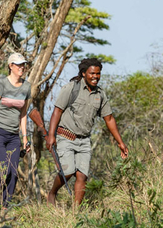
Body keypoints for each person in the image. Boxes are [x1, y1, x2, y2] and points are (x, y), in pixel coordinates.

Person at [45, 58, 128, 206]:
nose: (95, 76)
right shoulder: (71, 88)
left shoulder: (100, 94)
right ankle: (52, 193)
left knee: (82, 176)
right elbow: (57, 111)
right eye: (92, 73)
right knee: (68, 171)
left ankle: (76, 212)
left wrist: (120, 143)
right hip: (66, 136)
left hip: (84, 140)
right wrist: (51, 136)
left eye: (98, 73)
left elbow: (109, 119)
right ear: (83, 73)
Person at [0, 53, 31, 212]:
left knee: (14, 173)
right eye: (18, 65)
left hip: (13, 137)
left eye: (23, 64)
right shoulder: (2, 84)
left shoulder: (26, 87)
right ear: (11, 66)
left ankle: (5, 208)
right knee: (4, 169)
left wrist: (24, 138)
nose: (21, 67)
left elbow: (23, 113)